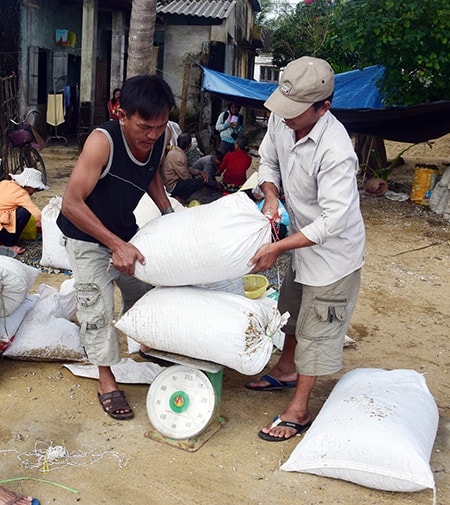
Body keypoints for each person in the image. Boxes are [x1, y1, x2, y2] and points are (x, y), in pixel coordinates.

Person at [245, 56, 365, 442]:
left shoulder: (336, 150)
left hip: (333, 256)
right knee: (291, 308)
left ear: (324, 107)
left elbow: (332, 222)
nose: (286, 118)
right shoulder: (283, 121)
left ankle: (300, 409)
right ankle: (285, 368)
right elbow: (268, 161)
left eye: (297, 112)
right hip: (299, 241)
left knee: (317, 328)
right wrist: (270, 195)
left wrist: (278, 247)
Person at [57, 74, 176, 421]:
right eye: (144, 126)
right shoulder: (102, 142)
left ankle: (147, 342)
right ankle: (106, 380)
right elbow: (70, 204)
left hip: (124, 229)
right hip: (86, 234)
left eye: (160, 125)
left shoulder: (161, 135)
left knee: (147, 291)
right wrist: (113, 245)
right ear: (121, 114)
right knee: (97, 308)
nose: (153, 135)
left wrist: (168, 212)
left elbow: (152, 172)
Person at [0, 167, 48, 255]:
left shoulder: (4, 183)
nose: (35, 191)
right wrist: (45, 223)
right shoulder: (21, 194)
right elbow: (34, 211)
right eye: (35, 188)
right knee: (24, 212)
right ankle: (9, 244)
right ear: (27, 185)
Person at [161, 132, 208, 201]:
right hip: (171, 186)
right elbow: (186, 177)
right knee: (198, 182)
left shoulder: (174, 151)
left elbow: (186, 168)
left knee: (195, 178)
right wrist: (195, 178)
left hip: (168, 182)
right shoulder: (180, 157)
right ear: (189, 145)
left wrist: (198, 172)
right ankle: (180, 198)